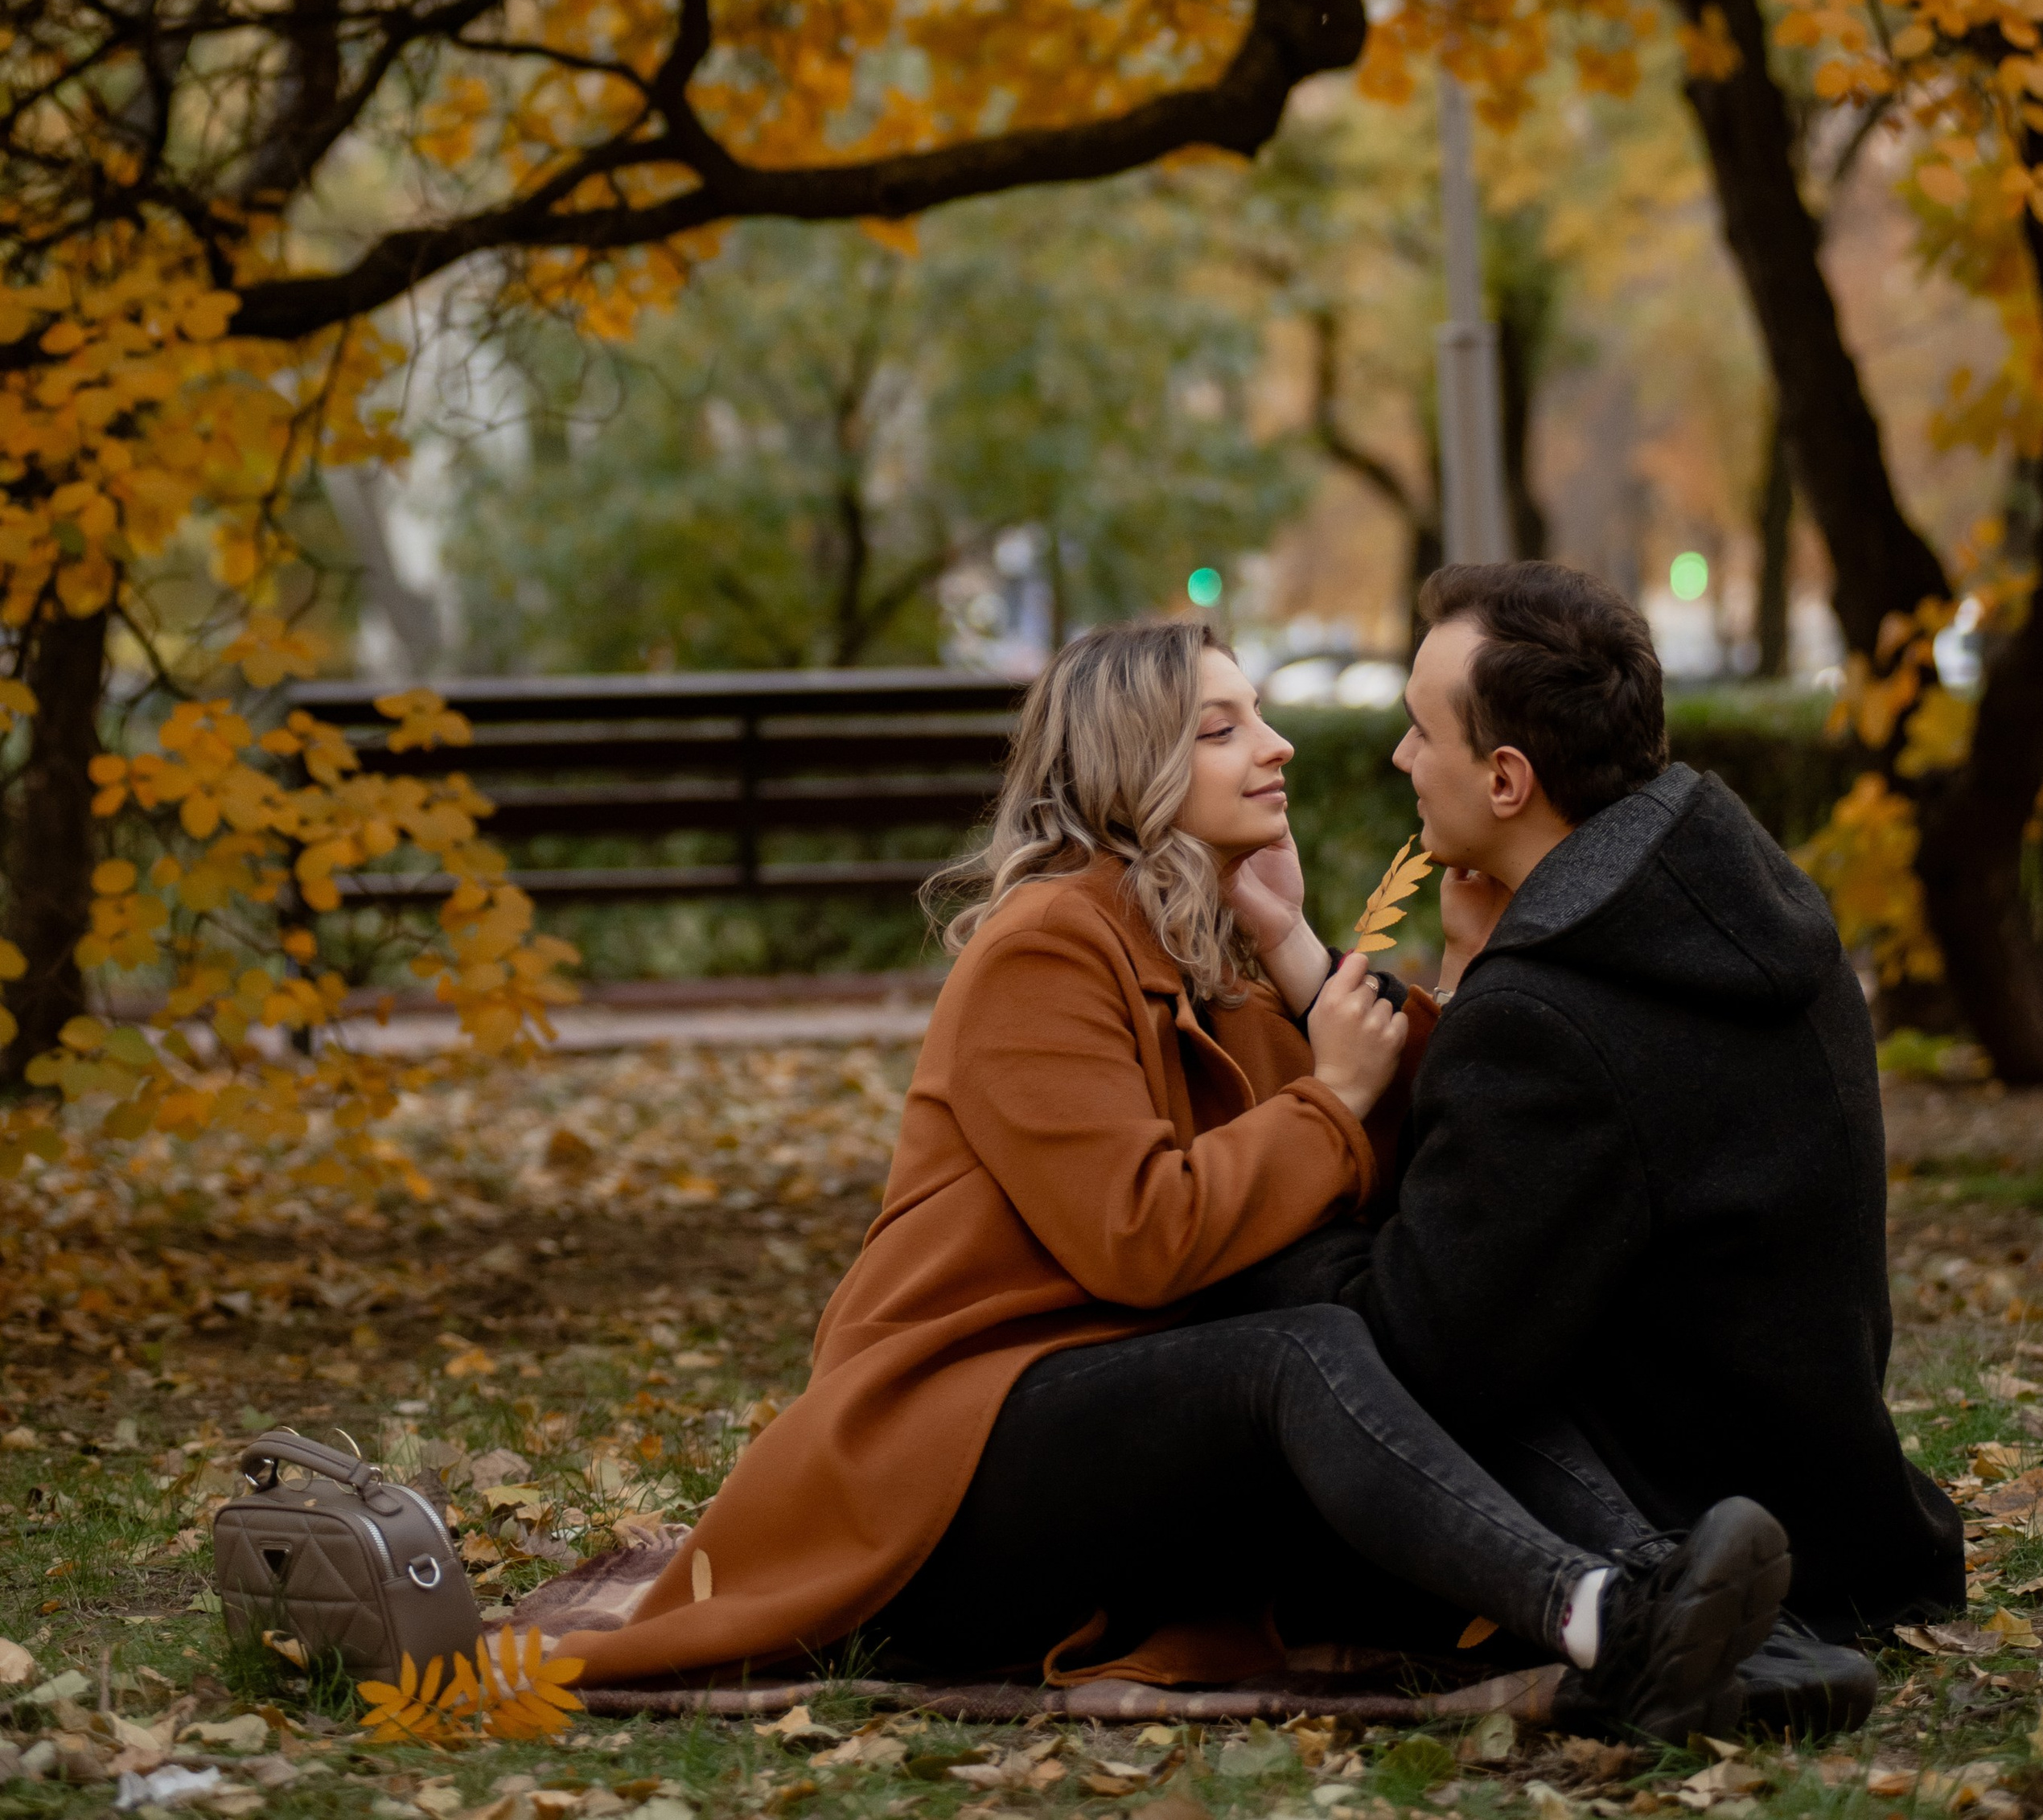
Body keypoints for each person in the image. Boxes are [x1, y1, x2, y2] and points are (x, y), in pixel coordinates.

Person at [552, 617, 1790, 1733]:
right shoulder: (1043, 947)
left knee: (1425, 1325)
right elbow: (1140, 1235)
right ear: (1128, 766)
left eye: (1261, 713)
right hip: (942, 1479)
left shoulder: (1213, 952)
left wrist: (1293, 944)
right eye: (1222, 727)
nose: (1278, 744)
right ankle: (1595, 1613)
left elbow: (1410, 1166)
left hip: (1108, 1445)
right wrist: (1328, 1096)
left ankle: (1686, 1606)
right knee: (1297, 1352)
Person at [1218, 561, 1963, 1724]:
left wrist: (1258, 1204)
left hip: (1695, 1535)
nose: (1401, 757)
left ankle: (1692, 1642)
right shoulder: (1725, 899)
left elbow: (1422, 1354)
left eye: (1421, 731)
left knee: (1289, 1333)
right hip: (1828, 1489)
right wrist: (1454, 974)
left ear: (1507, 778)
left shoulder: (1550, 1016)